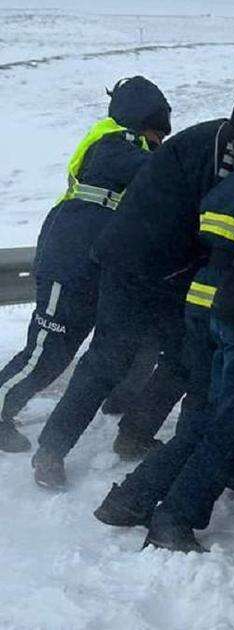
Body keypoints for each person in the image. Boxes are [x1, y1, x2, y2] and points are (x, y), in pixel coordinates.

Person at [92, 86, 234, 552]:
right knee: (230, 426)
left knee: (200, 414)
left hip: (201, 303)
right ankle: (175, 517)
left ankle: (131, 497)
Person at [31, 78, 234, 490]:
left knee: (180, 356)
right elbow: (213, 220)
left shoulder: (217, 136)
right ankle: (52, 449)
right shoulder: (229, 149)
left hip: (161, 267)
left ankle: (132, 433)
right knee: (109, 359)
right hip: (135, 264)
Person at [0, 77, 170, 454]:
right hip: (70, 260)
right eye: (159, 133)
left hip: (90, 262)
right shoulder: (113, 143)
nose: (161, 142)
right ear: (144, 121)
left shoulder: (128, 146)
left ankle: (119, 396)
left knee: (109, 343)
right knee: (48, 351)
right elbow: (157, 174)